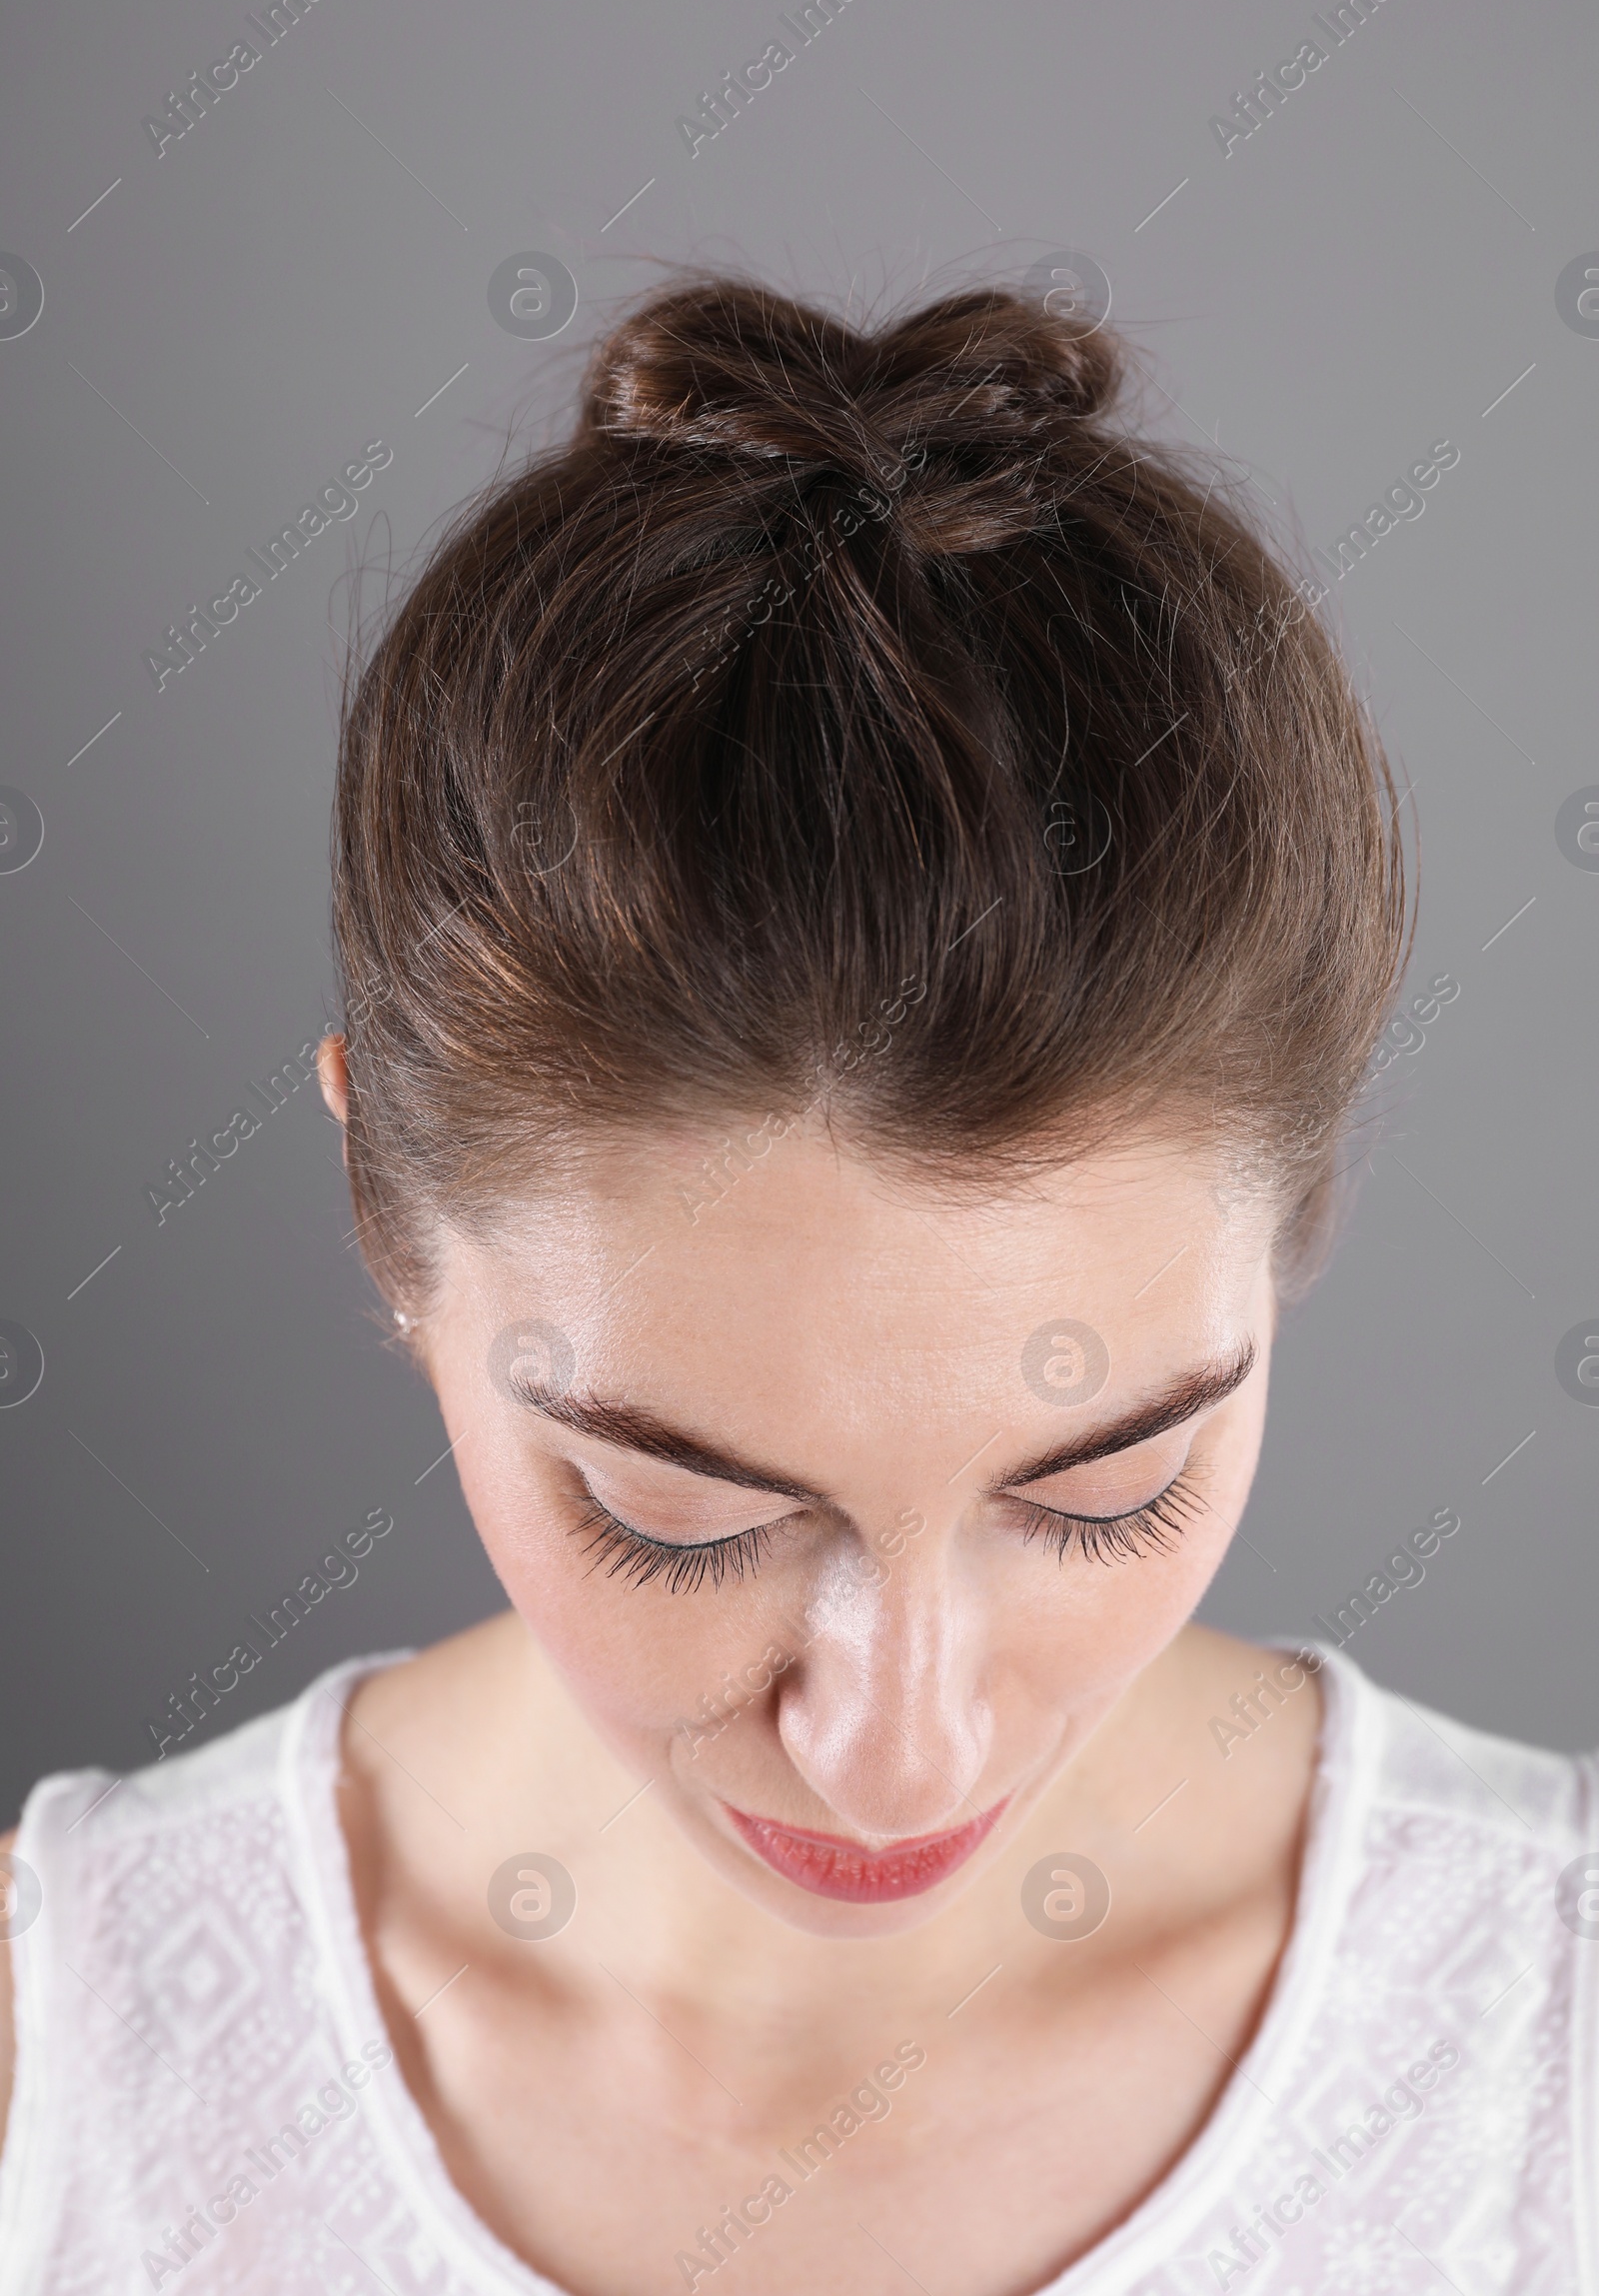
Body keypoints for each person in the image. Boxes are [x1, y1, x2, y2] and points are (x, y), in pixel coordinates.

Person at [0, 277, 1590, 2295]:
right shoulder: (57, 2069)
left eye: (1105, 1492)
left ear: (1288, 1236)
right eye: (679, 1517)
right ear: (386, 1216)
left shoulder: (1555, 2062)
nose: (897, 1753)